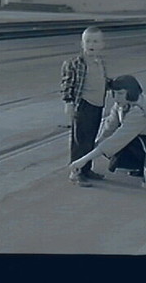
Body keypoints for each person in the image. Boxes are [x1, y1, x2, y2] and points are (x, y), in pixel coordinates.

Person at [61, 26, 110, 187]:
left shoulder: (100, 62)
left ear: (102, 44)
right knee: (79, 141)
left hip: (98, 106)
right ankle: (75, 172)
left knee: (90, 140)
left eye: (95, 41)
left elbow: (103, 81)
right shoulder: (75, 64)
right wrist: (68, 102)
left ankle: (87, 169)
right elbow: (67, 84)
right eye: (87, 41)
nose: (91, 44)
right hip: (83, 105)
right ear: (82, 43)